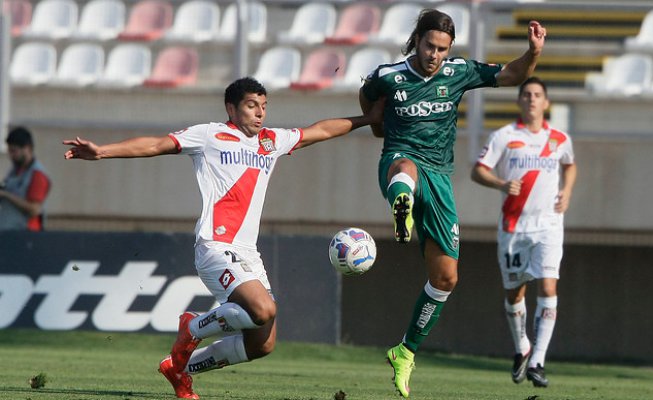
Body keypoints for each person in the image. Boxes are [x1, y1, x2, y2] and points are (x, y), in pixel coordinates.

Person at [63, 77, 384, 399]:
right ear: (231, 108)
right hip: (215, 246)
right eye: (251, 106)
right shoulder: (209, 135)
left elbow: (321, 130)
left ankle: (179, 369)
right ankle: (192, 327)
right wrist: (102, 151)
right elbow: (155, 145)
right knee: (264, 309)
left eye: (263, 106)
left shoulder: (271, 141)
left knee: (263, 343)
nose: (259, 114)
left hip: (248, 253)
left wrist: (367, 120)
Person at [358, 9, 547, 398]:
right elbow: (368, 98)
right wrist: (378, 124)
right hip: (400, 160)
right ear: (417, 40)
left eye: (443, 48)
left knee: (446, 278)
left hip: (441, 178)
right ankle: (403, 208)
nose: (435, 55)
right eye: (430, 46)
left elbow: (512, 75)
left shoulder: (457, 72)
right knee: (404, 169)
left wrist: (533, 53)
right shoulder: (388, 76)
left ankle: (404, 351)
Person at [471, 76, 576, 387]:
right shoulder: (504, 136)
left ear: (546, 102)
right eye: (527, 94)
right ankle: (522, 348)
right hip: (514, 227)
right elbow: (478, 170)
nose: (532, 99)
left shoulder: (559, 138)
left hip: (549, 226)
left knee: (548, 287)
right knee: (515, 293)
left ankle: (539, 362)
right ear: (519, 101)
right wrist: (501, 183)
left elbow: (570, 164)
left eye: (537, 95)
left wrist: (567, 190)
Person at [0, 126, 51, 231]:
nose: (11, 155)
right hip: (9, 233)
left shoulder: (37, 175)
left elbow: (34, 209)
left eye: (14, 151)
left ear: (27, 148)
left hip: (25, 234)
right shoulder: (15, 171)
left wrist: (6, 195)